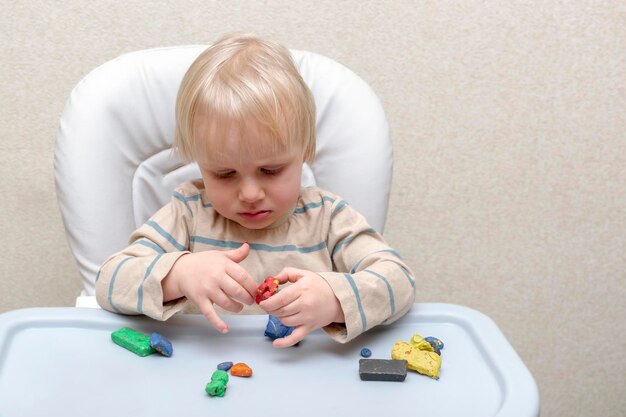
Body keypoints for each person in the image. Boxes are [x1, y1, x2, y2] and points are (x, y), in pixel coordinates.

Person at [95, 33, 415, 348]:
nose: (249, 193)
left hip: (304, 380)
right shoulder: (189, 212)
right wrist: (179, 274)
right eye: (224, 173)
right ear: (199, 162)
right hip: (201, 381)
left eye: (270, 170)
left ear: (303, 151)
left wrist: (334, 299)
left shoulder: (329, 218)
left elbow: (399, 282)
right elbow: (109, 281)